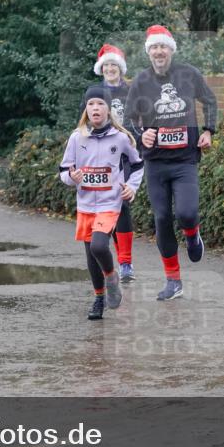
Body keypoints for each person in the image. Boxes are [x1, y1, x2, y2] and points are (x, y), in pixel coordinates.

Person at [124, 25, 218, 301]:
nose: (158, 52)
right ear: (149, 52)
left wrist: (209, 130)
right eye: (154, 47)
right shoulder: (141, 81)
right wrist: (144, 135)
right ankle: (173, 280)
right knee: (162, 218)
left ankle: (192, 234)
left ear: (171, 49)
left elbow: (210, 101)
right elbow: (129, 118)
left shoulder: (188, 74)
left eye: (163, 47)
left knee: (186, 213)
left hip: (185, 160)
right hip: (156, 163)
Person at [60, 86, 144, 320]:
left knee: (99, 247)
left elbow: (137, 165)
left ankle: (112, 277)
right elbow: (64, 170)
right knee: (90, 256)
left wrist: (132, 187)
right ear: (86, 109)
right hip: (86, 205)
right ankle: (98, 298)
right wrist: (71, 178)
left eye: (100, 104)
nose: (95, 108)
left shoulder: (121, 138)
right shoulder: (77, 137)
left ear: (108, 109)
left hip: (110, 203)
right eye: (91, 104)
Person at [85, 44, 139, 283]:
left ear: (120, 68)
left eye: (114, 65)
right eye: (106, 65)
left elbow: (141, 119)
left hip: (126, 154)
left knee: (123, 203)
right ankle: (103, 255)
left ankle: (126, 262)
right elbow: (83, 124)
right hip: (101, 159)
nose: (110, 68)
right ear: (101, 68)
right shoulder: (93, 93)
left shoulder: (132, 92)